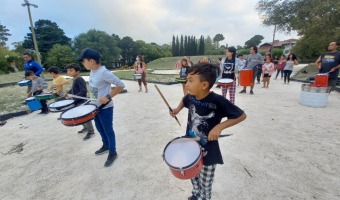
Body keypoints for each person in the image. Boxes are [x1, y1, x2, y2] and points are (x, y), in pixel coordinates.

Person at [170, 63, 247, 200]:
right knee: (192, 174)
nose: (186, 84)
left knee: (205, 181)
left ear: (204, 85)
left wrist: (219, 127)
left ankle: (204, 197)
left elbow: (241, 115)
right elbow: (185, 100)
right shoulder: (191, 96)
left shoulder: (218, 100)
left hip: (209, 149)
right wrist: (177, 109)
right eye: (187, 80)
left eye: (191, 80)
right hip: (190, 143)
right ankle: (196, 194)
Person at [76, 48, 125, 167]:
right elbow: (94, 89)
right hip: (95, 107)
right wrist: (91, 101)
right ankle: (106, 145)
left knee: (108, 130)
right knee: (99, 128)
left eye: (83, 61)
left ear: (91, 61)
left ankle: (113, 152)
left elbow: (121, 85)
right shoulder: (93, 71)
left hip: (105, 108)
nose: (82, 63)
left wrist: (108, 96)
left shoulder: (104, 72)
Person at [65, 63, 95, 140]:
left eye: (71, 70)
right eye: (68, 71)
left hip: (82, 101)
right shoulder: (74, 79)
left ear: (77, 71)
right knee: (79, 116)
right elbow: (73, 90)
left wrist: (73, 97)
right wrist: (68, 93)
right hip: (77, 101)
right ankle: (85, 128)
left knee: (85, 117)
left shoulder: (79, 79)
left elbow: (83, 91)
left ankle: (91, 131)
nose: (69, 72)